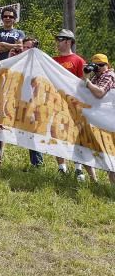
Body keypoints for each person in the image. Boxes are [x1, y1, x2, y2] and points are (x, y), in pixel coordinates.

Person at [52, 28, 93, 181]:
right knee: (57, 134)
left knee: (76, 136)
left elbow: (85, 83)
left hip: (74, 106)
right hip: (55, 103)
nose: (58, 42)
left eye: (60, 39)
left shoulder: (78, 60)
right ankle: (61, 167)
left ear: (68, 41)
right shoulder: (53, 60)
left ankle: (78, 168)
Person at [83, 53, 115, 185]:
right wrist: (87, 75)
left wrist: (87, 81)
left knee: (110, 155)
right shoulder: (96, 77)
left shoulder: (109, 75)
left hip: (108, 122)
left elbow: (99, 93)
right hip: (96, 120)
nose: (99, 68)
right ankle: (94, 180)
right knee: (83, 147)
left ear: (107, 65)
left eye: (101, 65)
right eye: (97, 65)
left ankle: (112, 186)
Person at [21, 37, 43, 168]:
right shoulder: (20, 61)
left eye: (29, 47)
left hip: (35, 104)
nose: (26, 50)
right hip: (21, 103)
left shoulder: (39, 63)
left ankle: (37, 163)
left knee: (34, 135)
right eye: (24, 47)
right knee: (25, 135)